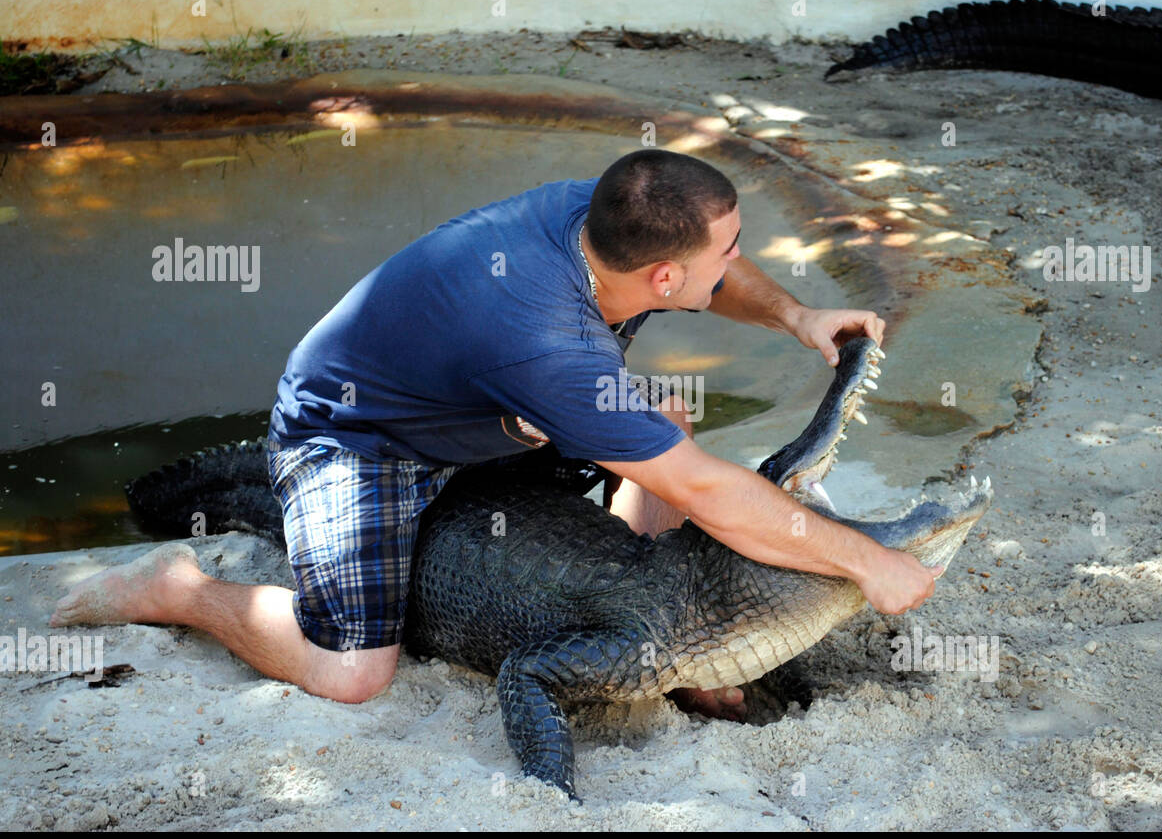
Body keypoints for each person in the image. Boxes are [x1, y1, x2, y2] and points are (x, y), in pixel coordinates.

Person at [51, 148, 939, 721]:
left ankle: (642, 611)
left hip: (481, 417)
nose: (740, 259)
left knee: (664, 418)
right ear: (665, 275)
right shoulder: (548, 342)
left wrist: (798, 316)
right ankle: (174, 588)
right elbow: (706, 491)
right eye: (729, 249)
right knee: (353, 672)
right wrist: (867, 561)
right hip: (355, 439)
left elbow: (712, 272)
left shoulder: (599, 216)